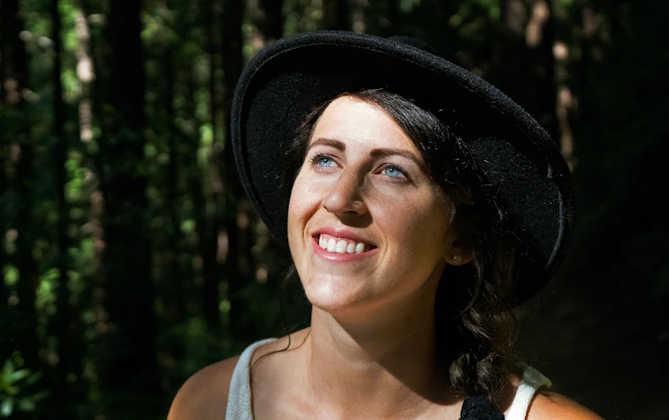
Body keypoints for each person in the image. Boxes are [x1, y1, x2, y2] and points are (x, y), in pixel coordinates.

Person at [168, 32, 603, 420]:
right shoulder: (209, 405)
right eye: (325, 159)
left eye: (392, 171)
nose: (339, 198)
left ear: (462, 237)